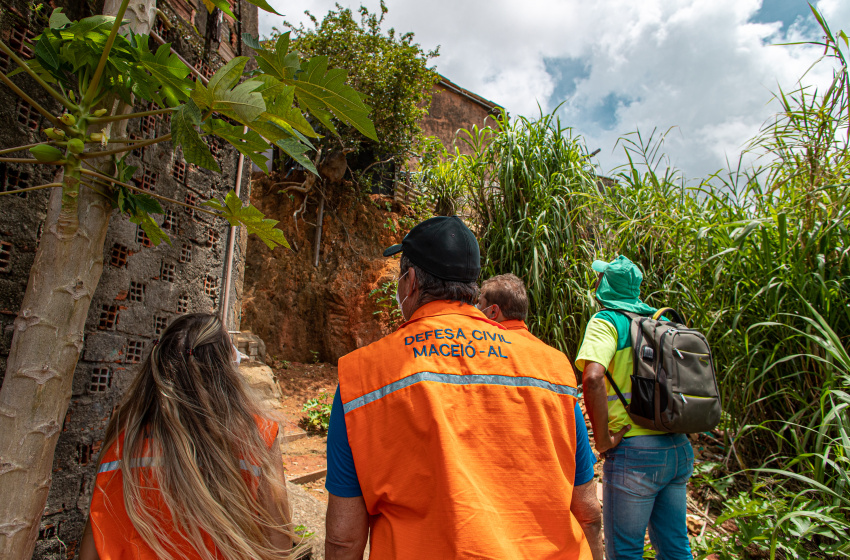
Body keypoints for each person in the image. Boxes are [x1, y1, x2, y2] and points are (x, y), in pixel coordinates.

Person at [325, 216, 598, 560]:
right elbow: (588, 509)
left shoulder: (362, 377)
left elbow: (344, 540)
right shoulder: (553, 369)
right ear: (471, 285)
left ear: (409, 282)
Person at [79, 313, 299, 560]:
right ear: (226, 369)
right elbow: (278, 541)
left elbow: (95, 534)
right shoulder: (258, 435)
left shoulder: (125, 432)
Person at [575, 256, 694, 560]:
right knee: (675, 548)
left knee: (625, 553)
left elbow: (592, 378)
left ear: (605, 284)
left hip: (635, 456)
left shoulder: (608, 321)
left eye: (601, 278)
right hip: (677, 449)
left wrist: (602, 441)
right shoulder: (660, 323)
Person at [477, 273, 603, 556]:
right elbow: (587, 508)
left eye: (479, 304)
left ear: (493, 311)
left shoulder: (472, 362)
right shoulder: (557, 365)